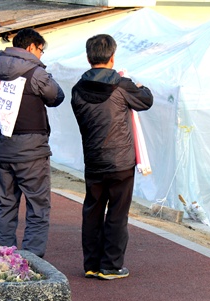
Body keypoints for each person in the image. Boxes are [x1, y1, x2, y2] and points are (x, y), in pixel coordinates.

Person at [70, 34, 153, 280]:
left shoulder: (77, 89)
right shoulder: (122, 85)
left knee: (92, 211)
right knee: (117, 214)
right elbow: (146, 100)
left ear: (88, 57)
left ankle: (91, 265)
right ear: (113, 57)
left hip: (94, 160)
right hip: (121, 162)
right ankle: (111, 266)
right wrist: (137, 85)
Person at [0, 28, 64, 257]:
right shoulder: (36, 73)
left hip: (2, 147)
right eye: (41, 50)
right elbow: (56, 97)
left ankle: (5, 256)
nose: (41, 55)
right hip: (31, 150)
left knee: (6, 205)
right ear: (31, 47)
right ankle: (31, 259)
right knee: (38, 207)